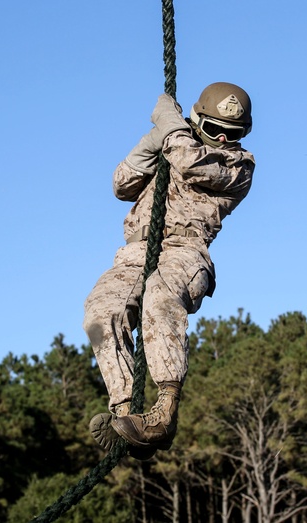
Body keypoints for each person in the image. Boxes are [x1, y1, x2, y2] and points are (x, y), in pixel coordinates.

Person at [83, 82, 256, 459]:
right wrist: (153, 138)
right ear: (198, 122)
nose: (224, 138)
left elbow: (189, 162)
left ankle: (164, 413)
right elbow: (122, 184)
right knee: (99, 313)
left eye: (233, 134)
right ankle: (127, 413)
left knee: (160, 300)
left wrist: (169, 125)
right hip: (136, 251)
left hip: (184, 252)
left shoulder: (237, 165)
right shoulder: (172, 142)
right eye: (214, 130)